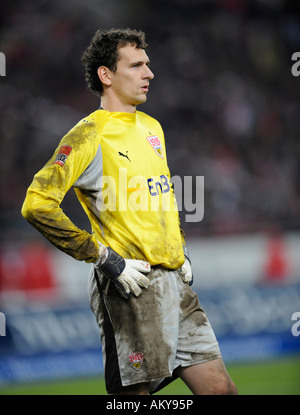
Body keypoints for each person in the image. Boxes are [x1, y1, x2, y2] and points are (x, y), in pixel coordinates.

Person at [21, 28, 237, 395]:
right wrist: (102, 256)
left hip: (175, 283)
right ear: (106, 75)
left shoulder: (152, 127)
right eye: (136, 65)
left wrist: (178, 246)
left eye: (147, 65)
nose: (149, 73)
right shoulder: (87, 135)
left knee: (221, 390)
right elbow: (36, 204)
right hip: (131, 284)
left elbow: (162, 196)